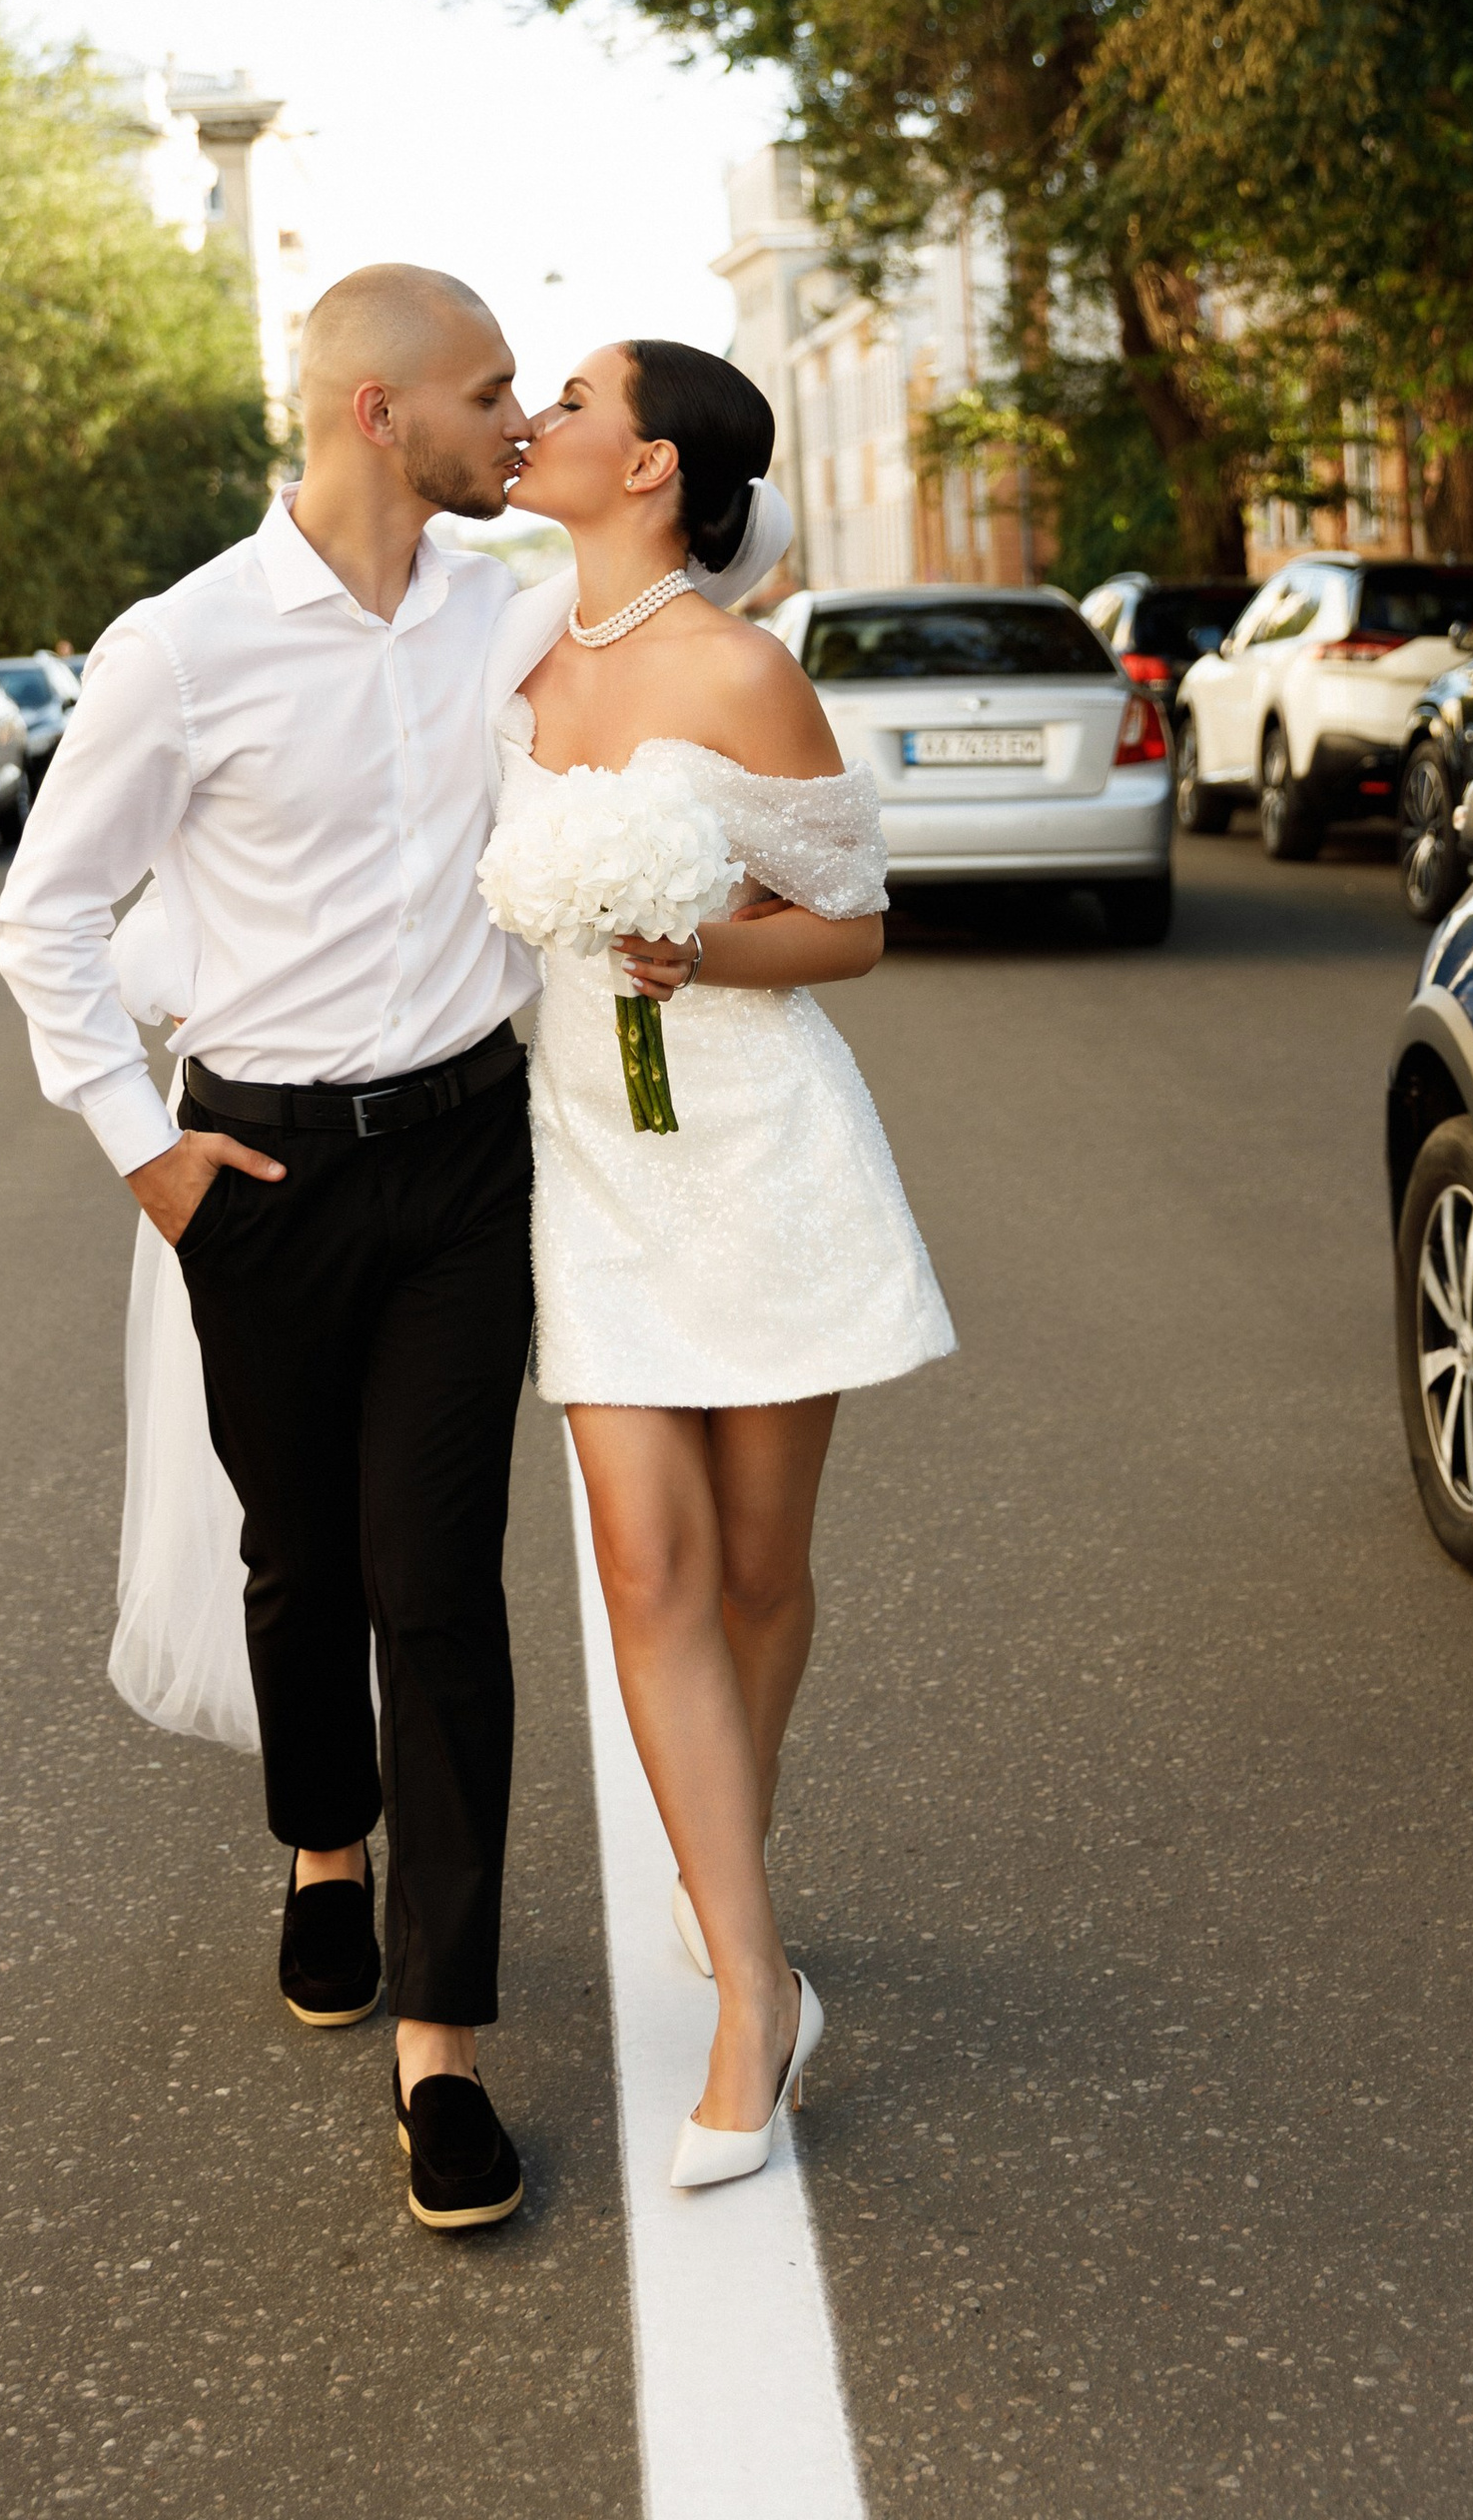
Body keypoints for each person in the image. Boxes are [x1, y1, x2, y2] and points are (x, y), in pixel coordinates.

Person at [0, 265, 545, 2233]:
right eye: (491, 391)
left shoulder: (514, 603)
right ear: (378, 413)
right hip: (269, 1180)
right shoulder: (183, 648)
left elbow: (724, 551)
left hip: (468, 1161)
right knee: (300, 1561)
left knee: (437, 1584)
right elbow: (46, 917)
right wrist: (147, 1158)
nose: (520, 423)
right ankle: (324, 1844)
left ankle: (440, 2045)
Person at [483, 339, 954, 2188]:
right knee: (646, 1568)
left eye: (573, 401)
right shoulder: (506, 660)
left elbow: (852, 925)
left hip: (755, 1151)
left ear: (653, 464)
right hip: (588, 1160)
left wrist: (705, 954)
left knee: (760, 1571)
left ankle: (719, 1865)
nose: (540, 421)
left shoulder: (748, 672)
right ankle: (758, 1996)